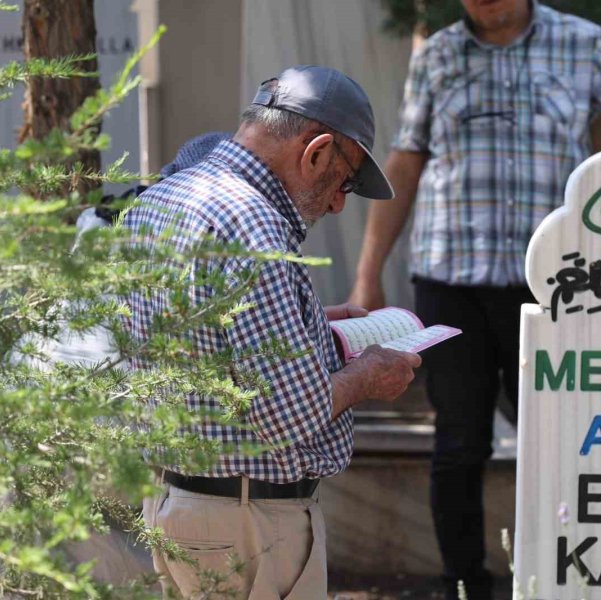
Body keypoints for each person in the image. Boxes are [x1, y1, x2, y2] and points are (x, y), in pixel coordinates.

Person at [348, 1, 601, 598]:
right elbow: (407, 156)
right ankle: (463, 584)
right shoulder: (438, 56)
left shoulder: (580, 41)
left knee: (560, 437)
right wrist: (367, 274)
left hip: (554, 280)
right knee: (458, 442)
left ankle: (562, 579)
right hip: (451, 279)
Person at [123, 65, 422, 599]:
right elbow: (290, 414)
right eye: (344, 181)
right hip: (247, 524)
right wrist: (368, 375)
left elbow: (197, 336)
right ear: (317, 152)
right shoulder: (254, 222)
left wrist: (308, 319)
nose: (338, 203)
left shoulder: (161, 197)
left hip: (173, 504)